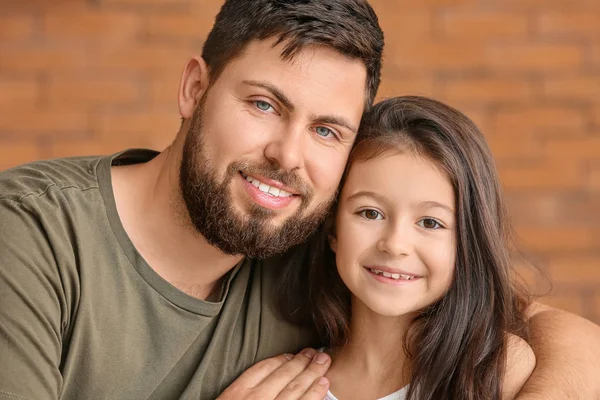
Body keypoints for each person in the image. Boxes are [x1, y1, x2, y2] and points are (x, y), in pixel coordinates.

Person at [0, 1, 598, 399]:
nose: (289, 156)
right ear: (194, 89)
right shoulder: (30, 236)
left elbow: (555, 331)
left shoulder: (304, 231)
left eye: (327, 130)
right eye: (264, 104)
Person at [273, 95, 537, 400]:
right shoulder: (287, 386)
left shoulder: (497, 369)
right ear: (333, 230)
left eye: (430, 223)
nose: (395, 245)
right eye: (370, 213)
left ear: (468, 241)